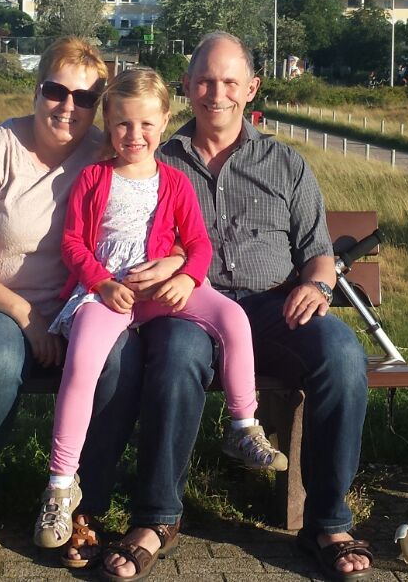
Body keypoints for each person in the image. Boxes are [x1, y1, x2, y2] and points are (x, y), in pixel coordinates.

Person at [105, 31, 372, 581]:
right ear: (186, 86)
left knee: (342, 356)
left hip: (274, 308)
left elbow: (319, 254)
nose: (216, 93)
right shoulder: (159, 163)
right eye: (204, 80)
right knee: (174, 358)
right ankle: (156, 517)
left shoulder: (287, 164)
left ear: (251, 88)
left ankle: (327, 523)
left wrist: (317, 288)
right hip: (192, 308)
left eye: (230, 81)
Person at [0, 37, 180, 571]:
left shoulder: (107, 154)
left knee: (119, 361)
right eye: (55, 90)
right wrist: (27, 317)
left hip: (81, 306)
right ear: (36, 88)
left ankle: (81, 510)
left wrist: (177, 260)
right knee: (0, 361)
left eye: (86, 98)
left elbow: (164, 216)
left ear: (100, 109)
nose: (69, 106)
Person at [33, 68, 287, 553]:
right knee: (84, 363)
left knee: (233, 318)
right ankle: (62, 484)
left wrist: (187, 277)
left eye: (148, 125)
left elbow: (198, 244)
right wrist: (101, 283)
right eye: (124, 124)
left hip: (164, 292)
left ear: (165, 121)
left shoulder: (173, 181)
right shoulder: (94, 177)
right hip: (107, 294)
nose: (135, 135)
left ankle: (242, 425)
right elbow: (73, 243)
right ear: (108, 122)